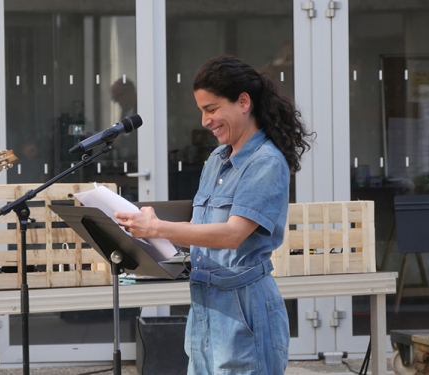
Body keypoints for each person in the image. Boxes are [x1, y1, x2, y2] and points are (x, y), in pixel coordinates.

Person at [114, 55, 314, 374]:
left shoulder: (265, 162)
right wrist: (147, 240)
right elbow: (200, 228)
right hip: (204, 308)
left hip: (244, 311)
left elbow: (232, 234)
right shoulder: (217, 159)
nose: (205, 121)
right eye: (202, 111)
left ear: (243, 102)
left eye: (212, 109)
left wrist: (157, 227)